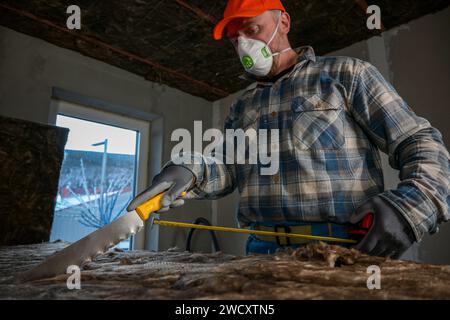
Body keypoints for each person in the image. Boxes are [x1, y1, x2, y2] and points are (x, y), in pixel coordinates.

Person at [128, 0, 450, 258]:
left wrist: (413, 205)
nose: (243, 46)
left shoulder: (347, 74)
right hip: (258, 251)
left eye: (252, 29)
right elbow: (226, 167)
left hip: (345, 248)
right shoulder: (243, 106)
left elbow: (418, 140)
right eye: (234, 40)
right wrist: (189, 170)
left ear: (283, 23)